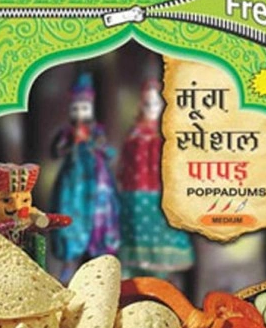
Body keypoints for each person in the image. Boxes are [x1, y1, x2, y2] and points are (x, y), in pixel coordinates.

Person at [117, 77, 194, 278]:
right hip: (134, 193)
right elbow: (125, 163)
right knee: (134, 235)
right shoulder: (134, 133)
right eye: (148, 104)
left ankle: (160, 283)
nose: (151, 109)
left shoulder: (171, 132)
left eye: (156, 104)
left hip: (162, 193)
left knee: (162, 236)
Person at [51, 72, 120, 281]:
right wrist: (70, 144)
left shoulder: (97, 131)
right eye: (76, 108)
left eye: (84, 108)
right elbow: (56, 152)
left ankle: (98, 264)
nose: (80, 113)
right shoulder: (67, 132)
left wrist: (94, 145)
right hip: (73, 183)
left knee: (99, 218)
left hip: (97, 180)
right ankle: (68, 262)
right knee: (70, 218)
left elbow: (109, 152)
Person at [0, 162, 71, 268]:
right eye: (7, 200)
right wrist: (13, 223)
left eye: (25, 200)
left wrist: (39, 217)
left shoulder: (27, 223)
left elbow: (63, 221)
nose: (17, 207)